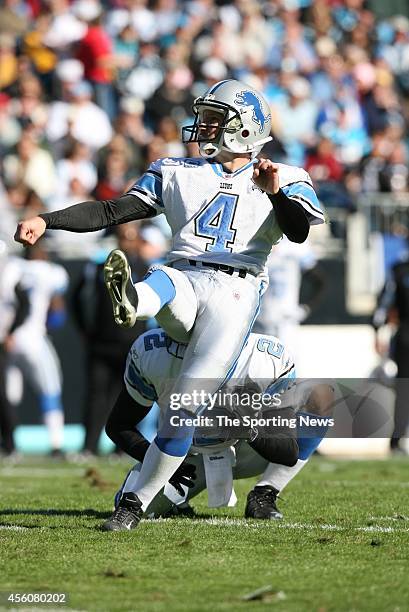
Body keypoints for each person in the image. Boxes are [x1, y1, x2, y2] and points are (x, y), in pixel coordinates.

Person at [15, 79, 325, 529]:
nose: (203, 126)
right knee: (165, 278)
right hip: (186, 275)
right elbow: (109, 212)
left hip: (238, 287)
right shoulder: (177, 171)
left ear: (245, 127)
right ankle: (134, 299)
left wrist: (274, 192)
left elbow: (297, 231)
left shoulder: (285, 177)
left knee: (186, 403)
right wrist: (47, 219)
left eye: (216, 119)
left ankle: (142, 503)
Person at [103, 327, 334, 528]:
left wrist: (248, 428)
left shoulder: (264, 358)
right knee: (130, 504)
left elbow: (288, 452)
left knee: (321, 395)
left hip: (244, 451)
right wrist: (160, 463)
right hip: (185, 461)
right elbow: (119, 425)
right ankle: (175, 501)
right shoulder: (154, 352)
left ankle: (265, 493)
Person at [7, 240, 69, 456]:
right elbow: (58, 311)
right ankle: (56, 444)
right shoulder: (51, 272)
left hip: (7, 338)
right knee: (50, 390)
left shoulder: (11, 267)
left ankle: (9, 445)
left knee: (9, 396)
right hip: (33, 337)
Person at [373, 252, 409, 454]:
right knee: (405, 389)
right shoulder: (399, 270)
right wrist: (378, 333)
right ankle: (396, 441)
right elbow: (384, 303)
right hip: (406, 335)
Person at [0, 240, 29, 457]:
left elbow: (23, 305)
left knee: (2, 393)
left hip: (2, 338)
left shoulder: (12, 273)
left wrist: (11, 332)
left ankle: (9, 442)